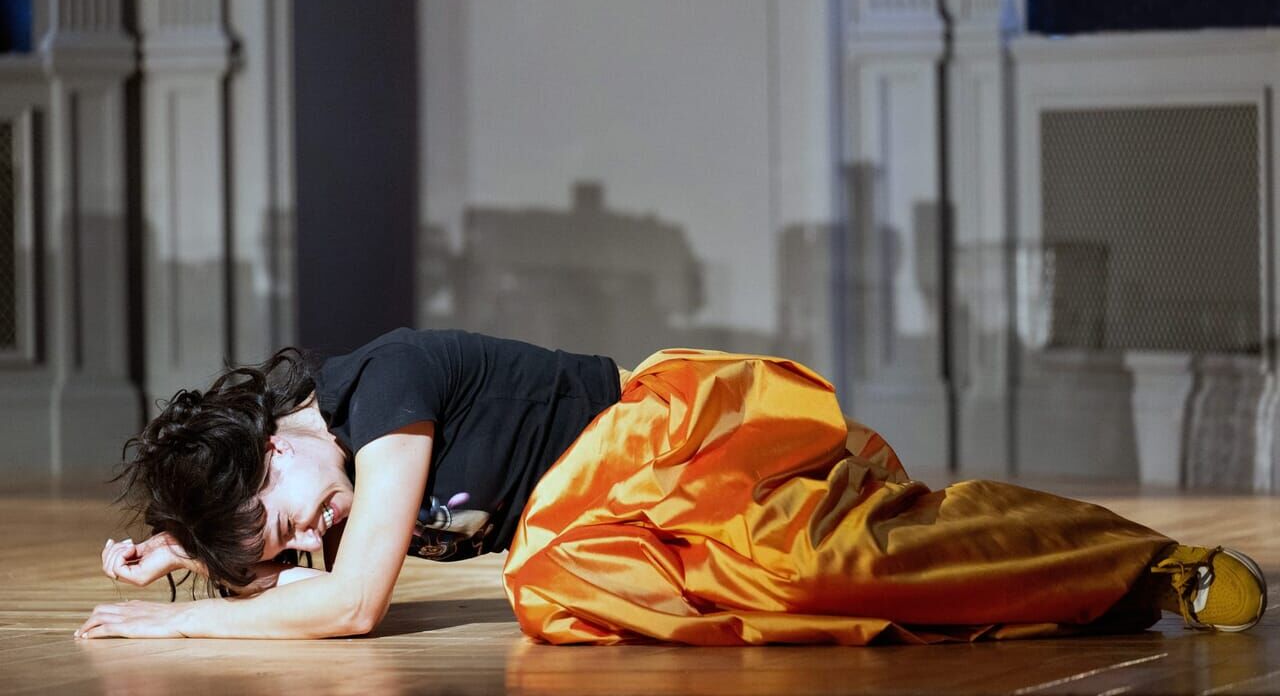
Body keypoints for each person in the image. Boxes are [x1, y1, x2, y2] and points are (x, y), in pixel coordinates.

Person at [77, 328, 1267, 644]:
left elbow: (349, 608)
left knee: (827, 556)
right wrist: (188, 549)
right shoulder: (313, 464)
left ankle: (1146, 564)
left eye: (301, 523)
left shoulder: (382, 392)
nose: (316, 543)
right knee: (804, 602)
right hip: (609, 532)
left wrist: (166, 634)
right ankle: (1078, 595)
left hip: (668, 445)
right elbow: (303, 581)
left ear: (277, 448)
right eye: (294, 547)